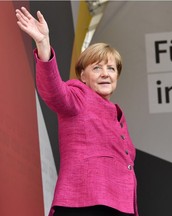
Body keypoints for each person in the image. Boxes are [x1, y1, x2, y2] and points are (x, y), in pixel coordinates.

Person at [15, 7, 138, 216]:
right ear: (82, 75)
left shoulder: (118, 115)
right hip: (83, 204)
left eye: (111, 68)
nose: (105, 74)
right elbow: (54, 92)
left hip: (120, 206)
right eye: (97, 68)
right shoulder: (79, 95)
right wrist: (43, 44)